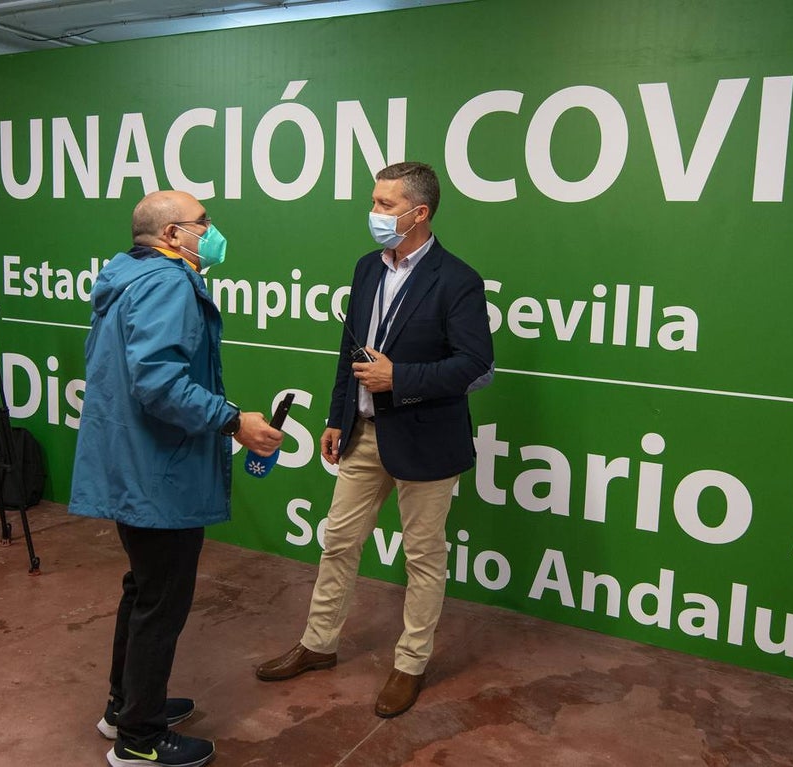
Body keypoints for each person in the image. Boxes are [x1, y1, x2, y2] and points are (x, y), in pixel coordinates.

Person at [256, 162, 494, 717]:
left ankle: (410, 664)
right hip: (363, 434)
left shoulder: (457, 279)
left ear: (420, 213)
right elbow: (351, 351)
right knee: (337, 540)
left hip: (427, 441)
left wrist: (401, 378)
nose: (375, 214)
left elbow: (477, 364)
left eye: (386, 205)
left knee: (423, 557)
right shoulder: (367, 269)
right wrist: (338, 417)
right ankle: (318, 644)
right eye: (375, 201)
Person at [70, 190, 284, 767]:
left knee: (143, 590)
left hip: (135, 466)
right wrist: (234, 421)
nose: (211, 231)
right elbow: (160, 384)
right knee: (161, 602)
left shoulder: (128, 275)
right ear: (171, 236)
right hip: (158, 474)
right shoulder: (169, 284)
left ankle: (126, 705)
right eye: (203, 223)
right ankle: (138, 739)